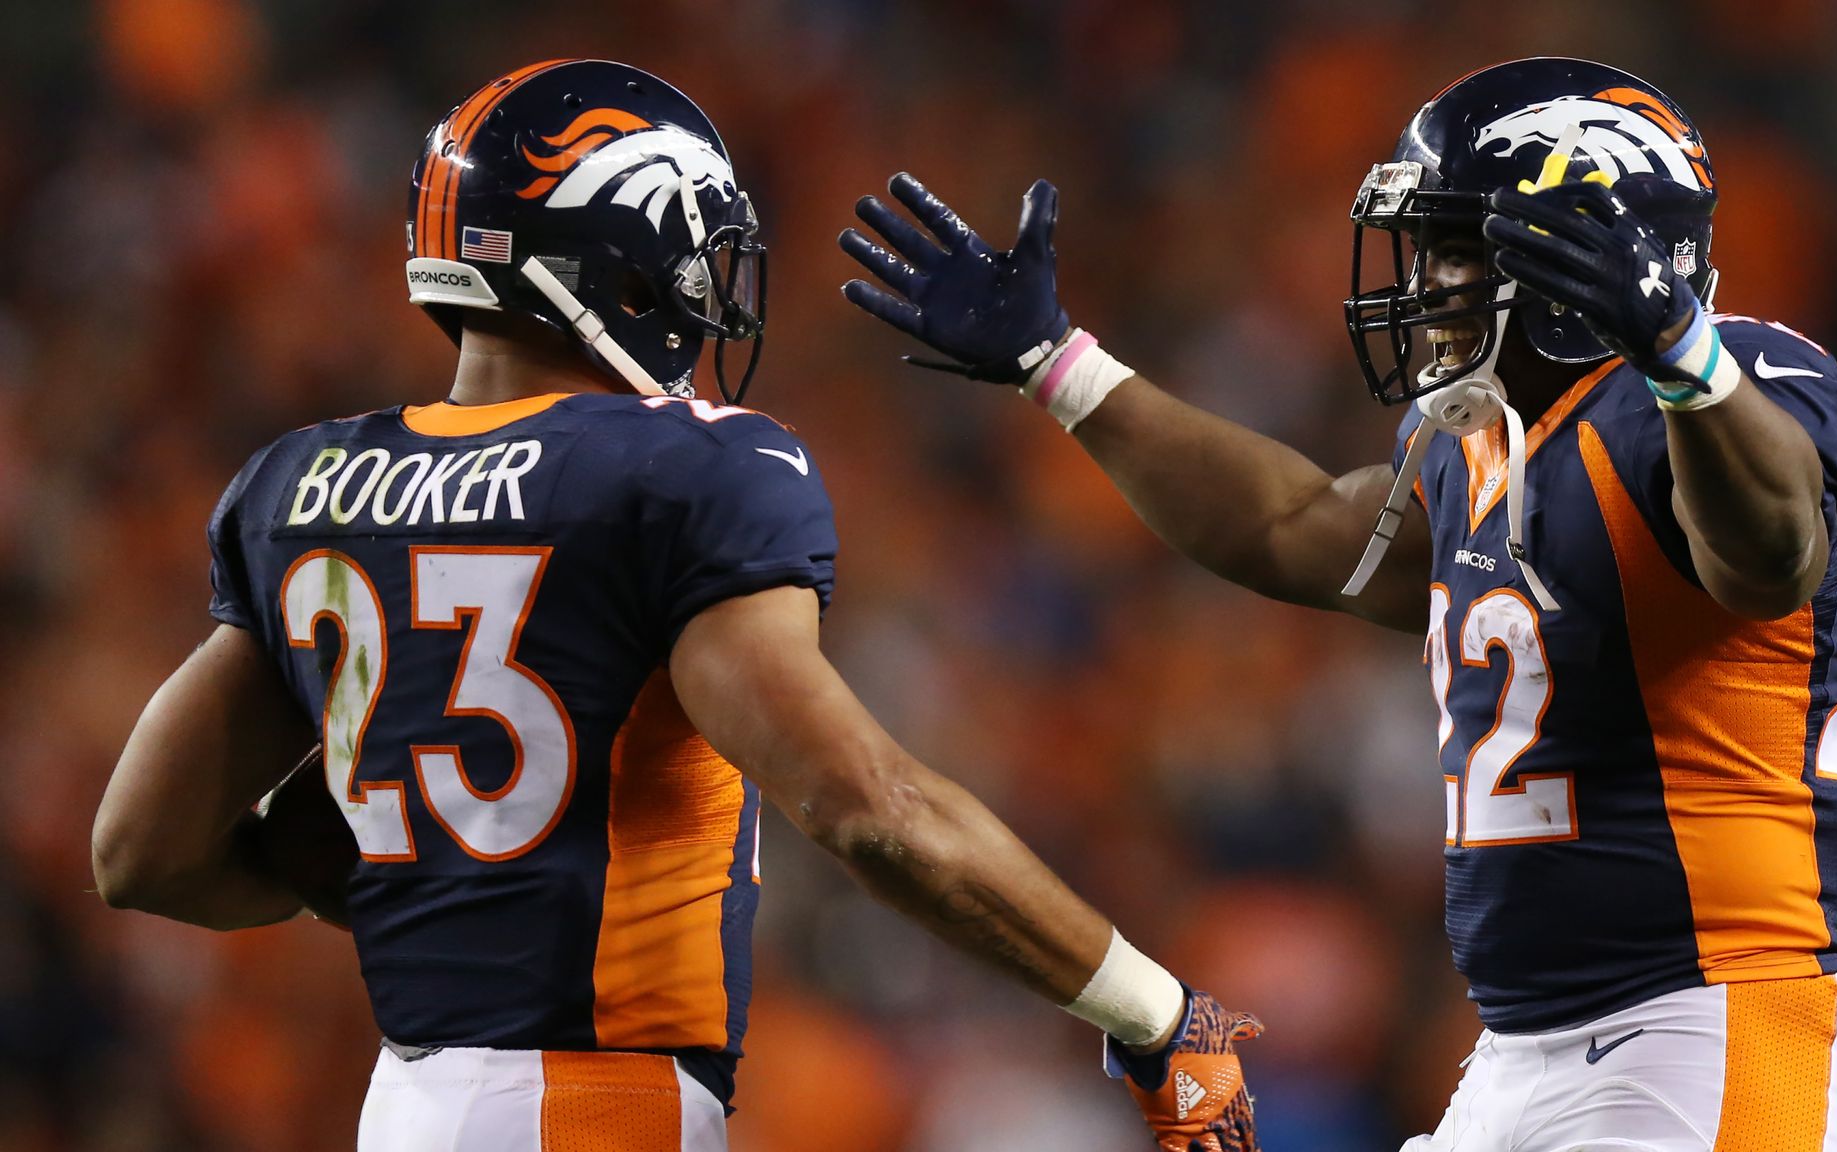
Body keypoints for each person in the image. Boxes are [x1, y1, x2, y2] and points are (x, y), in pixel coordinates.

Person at [88, 58, 1261, 1152]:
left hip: (405, 1104)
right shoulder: (679, 470)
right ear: (619, 258)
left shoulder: (302, 482)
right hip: (595, 1105)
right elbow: (868, 808)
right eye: (694, 266)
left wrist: (450, 893)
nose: (708, 305)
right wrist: (1154, 1012)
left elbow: (146, 852)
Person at [840, 56, 1837, 1152]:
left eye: (1452, 252)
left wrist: (1680, 355)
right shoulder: (1481, 438)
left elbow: (1771, 559)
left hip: (1712, 1027)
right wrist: (1058, 366)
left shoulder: (1742, 383)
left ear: (1578, 258)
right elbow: (1290, 529)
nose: (1423, 285)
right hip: (1521, 1056)